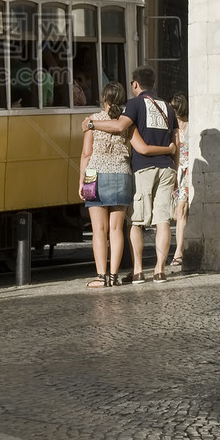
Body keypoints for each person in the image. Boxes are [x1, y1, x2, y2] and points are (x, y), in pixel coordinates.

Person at [85, 65, 179, 282]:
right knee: (162, 220)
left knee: (134, 222)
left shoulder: (133, 105)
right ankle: (159, 270)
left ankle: (134, 270)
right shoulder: (167, 107)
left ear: (135, 84)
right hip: (159, 169)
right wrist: (173, 166)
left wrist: (91, 124)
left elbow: (89, 151)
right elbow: (176, 140)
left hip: (137, 169)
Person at [79, 82, 133, 287]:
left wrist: (81, 181)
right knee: (116, 229)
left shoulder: (92, 120)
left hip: (95, 174)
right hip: (122, 173)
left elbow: (86, 153)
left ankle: (101, 277)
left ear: (104, 99)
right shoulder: (126, 121)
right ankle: (114, 276)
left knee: (98, 230)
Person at [168, 92, 189, 274]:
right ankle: (180, 248)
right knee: (177, 214)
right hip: (176, 173)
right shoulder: (172, 129)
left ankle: (178, 251)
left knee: (180, 211)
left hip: (187, 173)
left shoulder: (190, 127)